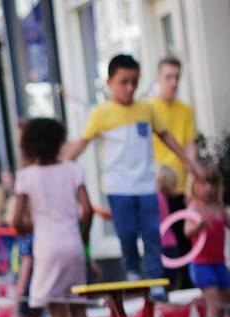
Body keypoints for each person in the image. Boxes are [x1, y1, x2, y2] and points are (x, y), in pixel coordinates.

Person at [63, 54, 198, 301]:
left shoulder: (146, 109)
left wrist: (191, 163)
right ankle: (134, 273)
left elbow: (166, 137)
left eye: (134, 82)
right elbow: (81, 144)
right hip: (118, 187)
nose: (130, 88)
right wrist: (59, 167)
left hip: (146, 184)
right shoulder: (100, 114)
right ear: (110, 82)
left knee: (151, 232)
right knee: (126, 233)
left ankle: (156, 280)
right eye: (124, 82)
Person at [13, 118, 102, 317]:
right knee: (79, 311)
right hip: (73, 243)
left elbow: (17, 219)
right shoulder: (73, 169)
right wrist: (83, 236)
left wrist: (28, 225)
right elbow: (87, 210)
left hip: (47, 246)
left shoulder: (26, 176)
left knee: (57, 315)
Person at [183, 162, 230, 317]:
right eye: (203, 183)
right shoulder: (194, 207)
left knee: (225, 302)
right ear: (195, 185)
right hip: (201, 265)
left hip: (219, 263)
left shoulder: (219, 207)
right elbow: (187, 231)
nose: (208, 188)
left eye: (212, 183)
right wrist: (198, 227)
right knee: (215, 304)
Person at [150, 57, 198, 211]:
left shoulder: (186, 110)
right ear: (158, 77)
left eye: (177, 77)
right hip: (157, 189)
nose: (174, 82)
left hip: (182, 188)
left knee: (183, 235)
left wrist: (191, 185)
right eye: (168, 77)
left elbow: (190, 147)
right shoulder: (148, 109)